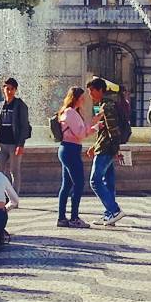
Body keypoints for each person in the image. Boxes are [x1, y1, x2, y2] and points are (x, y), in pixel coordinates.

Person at [85, 77, 125, 227]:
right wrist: (95, 145)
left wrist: (115, 149)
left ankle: (114, 210)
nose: (91, 95)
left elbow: (113, 130)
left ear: (100, 90)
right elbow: (106, 131)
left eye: (92, 91)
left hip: (106, 149)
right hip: (105, 147)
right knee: (108, 182)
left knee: (95, 181)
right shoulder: (105, 104)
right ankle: (109, 215)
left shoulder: (107, 106)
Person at [55, 85, 93, 228]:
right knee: (79, 183)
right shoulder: (71, 113)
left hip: (67, 149)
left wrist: (92, 126)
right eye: (82, 97)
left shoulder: (68, 111)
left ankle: (61, 218)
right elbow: (81, 134)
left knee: (67, 185)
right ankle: (74, 218)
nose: (83, 100)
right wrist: (93, 125)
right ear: (76, 98)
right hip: (71, 150)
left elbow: (80, 132)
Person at [0, 77, 31, 192]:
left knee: (14, 171)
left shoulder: (20, 105)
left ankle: (14, 197)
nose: (9, 91)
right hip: (1, 144)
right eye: (7, 88)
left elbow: (24, 126)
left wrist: (21, 144)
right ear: (3, 89)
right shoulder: (0, 105)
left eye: (12, 89)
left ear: (15, 90)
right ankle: (0, 195)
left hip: (14, 144)